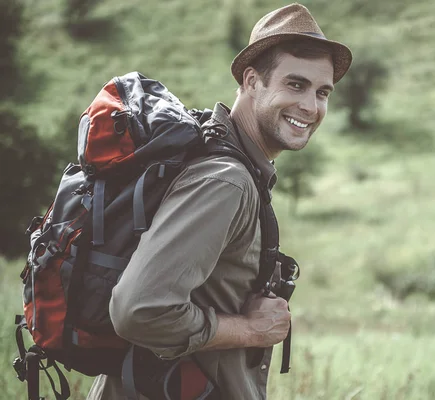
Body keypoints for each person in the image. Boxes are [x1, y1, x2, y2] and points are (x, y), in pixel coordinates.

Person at [86, 3, 352, 399]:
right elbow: (138, 309)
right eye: (295, 85)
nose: (311, 107)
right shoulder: (226, 180)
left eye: (322, 92)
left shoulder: (228, 162)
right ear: (251, 81)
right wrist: (251, 330)